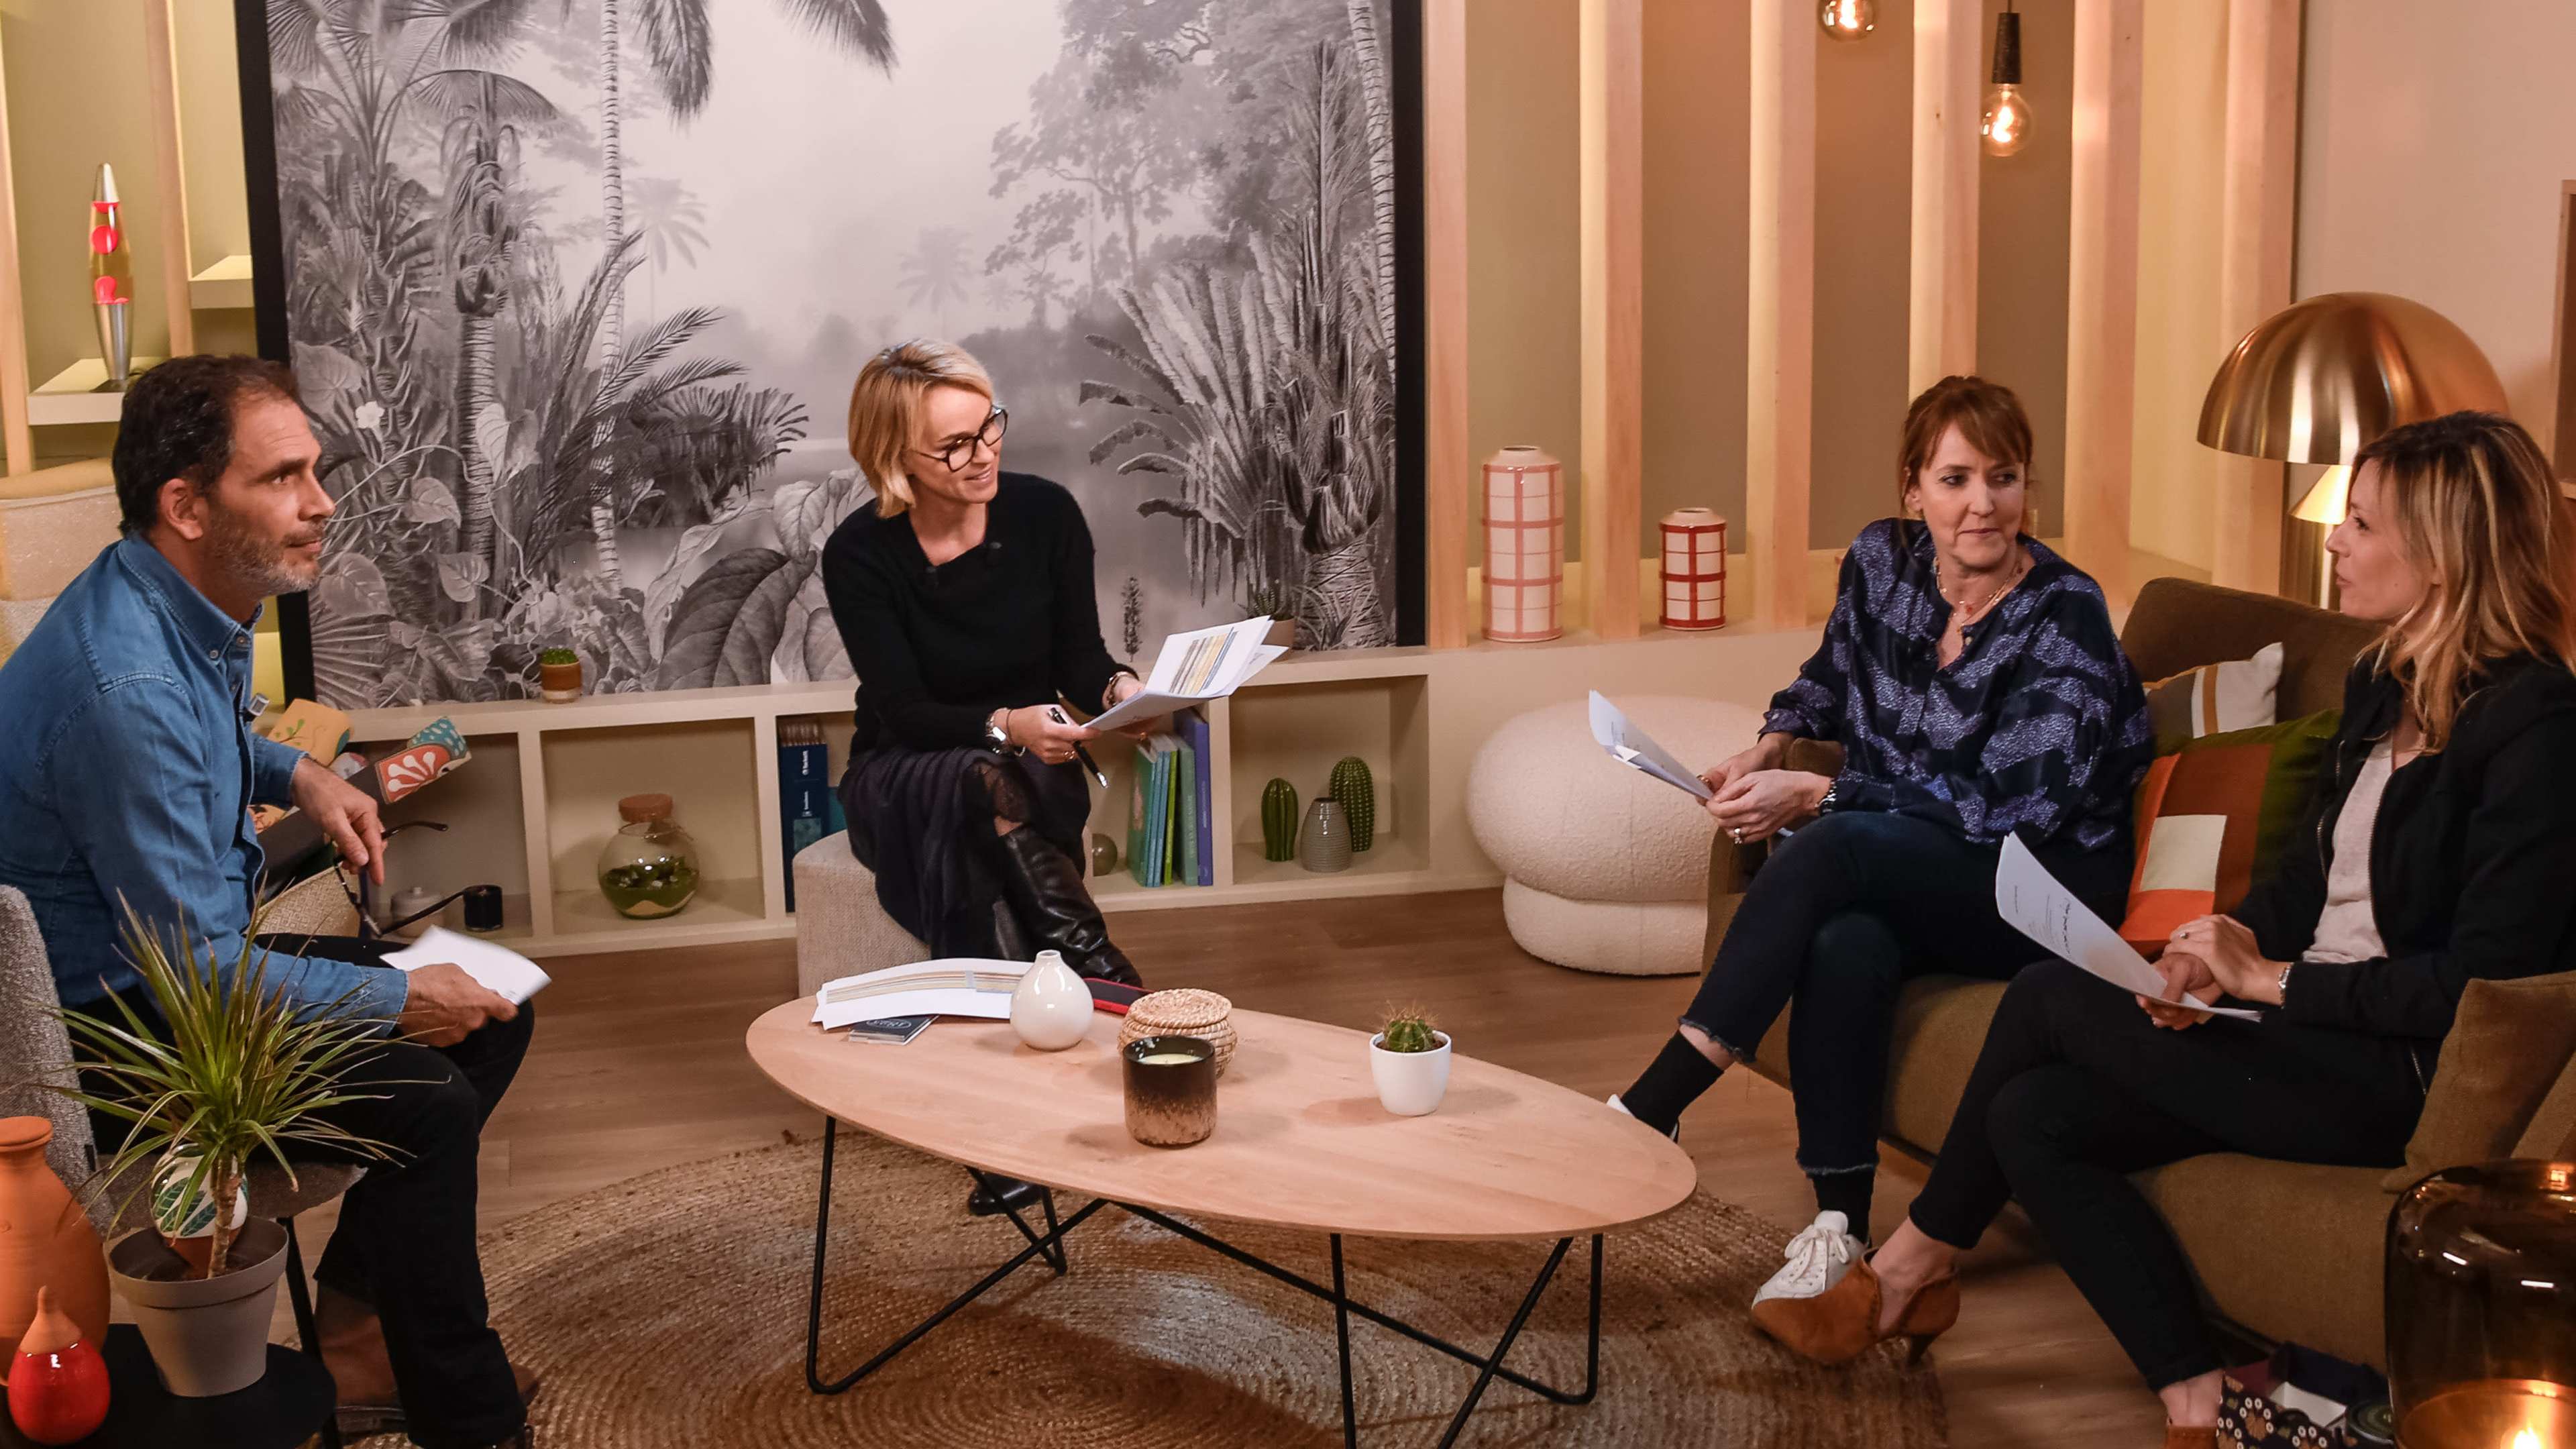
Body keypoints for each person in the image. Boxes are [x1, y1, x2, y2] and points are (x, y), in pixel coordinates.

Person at [1781, 412, 2576, 1449]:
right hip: (2300, 1025)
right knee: (2033, 1117)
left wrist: (2272, 983)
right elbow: (2308, 878)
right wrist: (2217, 940)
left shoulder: (2536, 728)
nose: (2333, 538)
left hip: (2392, 1071)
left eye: (2363, 523)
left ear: (2445, 552)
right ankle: (2199, 1401)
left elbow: (2486, 989)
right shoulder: (2384, 677)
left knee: (2048, 997)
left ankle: (1907, 1271)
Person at [0, 356, 537, 1449]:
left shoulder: (169, 605)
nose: (322, 500)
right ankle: (466, 1414)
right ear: (187, 506)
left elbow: (213, 743)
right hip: (117, 1042)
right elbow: (194, 973)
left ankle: (353, 1342)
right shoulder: (127, 688)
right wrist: (396, 1003)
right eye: (283, 477)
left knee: (493, 1012)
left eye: (316, 470)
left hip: (172, 975)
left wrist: (300, 775)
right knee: (429, 1099)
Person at [1609, 376, 2152, 1311]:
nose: (1983, 502)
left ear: (2029, 488)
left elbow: (2009, 809)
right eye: (1956, 478)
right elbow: (1830, 676)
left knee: (1831, 848)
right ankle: (1839, 1226)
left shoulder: (2067, 616)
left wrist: (1823, 791)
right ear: (1914, 490)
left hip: (2042, 885)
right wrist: (1774, 740)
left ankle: (1650, 1110)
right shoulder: (1880, 563)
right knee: (1844, 937)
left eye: (2005, 476)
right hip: (1925, 855)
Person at [821, 339, 1155, 987]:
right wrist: (1008, 724)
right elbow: (906, 711)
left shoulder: (1046, 513)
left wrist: (1120, 690)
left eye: (989, 427)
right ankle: (1106, 979)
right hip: (905, 766)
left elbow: (1080, 657)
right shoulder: (857, 552)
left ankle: (1041, 1004)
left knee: (995, 792)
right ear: (895, 458)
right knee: (981, 781)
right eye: (954, 445)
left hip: (1034, 764)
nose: (984, 455)